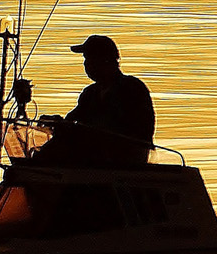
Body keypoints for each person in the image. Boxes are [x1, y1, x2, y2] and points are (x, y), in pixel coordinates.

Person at [31, 35, 156, 167]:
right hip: (93, 155)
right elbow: (74, 118)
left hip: (122, 160)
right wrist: (57, 122)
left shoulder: (132, 88)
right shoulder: (90, 93)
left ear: (105, 61)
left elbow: (136, 130)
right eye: (85, 59)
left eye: (89, 58)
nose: (86, 64)